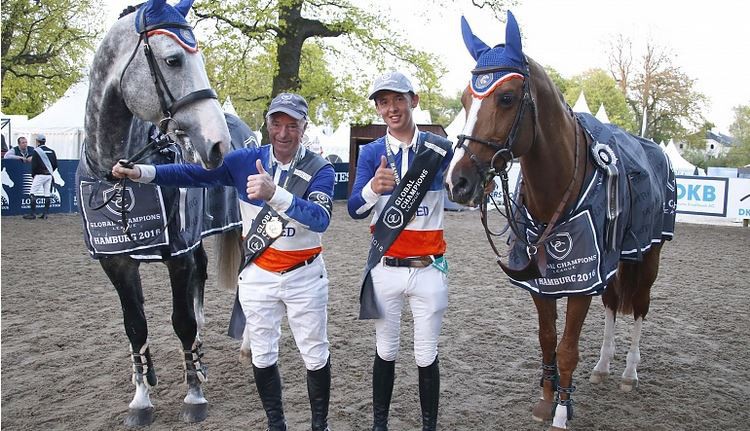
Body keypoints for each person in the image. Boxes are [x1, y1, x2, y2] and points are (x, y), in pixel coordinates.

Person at [112, 93, 335, 431]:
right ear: (267, 124)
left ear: (304, 127)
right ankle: (277, 425)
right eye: (277, 123)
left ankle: (320, 425)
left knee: (315, 354)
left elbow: (320, 219)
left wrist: (274, 193)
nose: (284, 133)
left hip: (304, 275)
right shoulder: (243, 160)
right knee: (262, 354)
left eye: (293, 125)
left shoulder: (320, 168)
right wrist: (142, 172)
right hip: (258, 276)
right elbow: (194, 175)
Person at [347, 71, 453, 431]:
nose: (391, 108)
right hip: (386, 267)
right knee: (386, 350)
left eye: (397, 99)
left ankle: (428, 426)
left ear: (414, 100)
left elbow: (465, 190)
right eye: (383, 101)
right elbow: (353, 210)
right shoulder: (371, 154)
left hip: (428, 268)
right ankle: (380, 425)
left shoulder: (440, 149)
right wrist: (373, 189)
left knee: (426, 354)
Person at [26, 134, 58, 219]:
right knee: (47, 194)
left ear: (38, 141)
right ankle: (45, 214)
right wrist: (50, 172)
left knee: (32, 193)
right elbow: (55, 164)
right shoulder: (52, 151)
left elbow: (34, 165)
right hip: (49, 175)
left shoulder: (36, 151)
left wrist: (33, 175)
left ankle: (33, 214)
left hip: (40, 175)